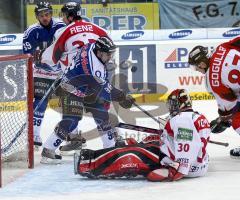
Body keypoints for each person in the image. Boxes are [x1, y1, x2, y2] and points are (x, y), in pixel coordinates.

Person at [40, 2, 118, 164]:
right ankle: (112, 144)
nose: (62, 19)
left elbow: (51, 58)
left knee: (72, 118)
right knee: (101, 113)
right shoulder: (97, 29)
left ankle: (49, 150)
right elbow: (109, 52)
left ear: (69, 16)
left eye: (63, 16)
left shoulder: (63, 31)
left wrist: (53, 64)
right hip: (91, 77)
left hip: (73, 79)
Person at [75, 89, 210, 181]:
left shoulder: (182, 119)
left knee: (133, 153)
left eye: (173, 104)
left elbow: (184, 145)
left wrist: (174, 171)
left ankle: (88, 163)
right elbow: (192, 143)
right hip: (199, 164)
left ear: (179, 104)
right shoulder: (196, 117)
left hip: (181, 166)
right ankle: (143, 146)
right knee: (150, 140)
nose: (171, 107)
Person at [22, 1, 65, 147]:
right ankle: (34, 135)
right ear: (37, 16)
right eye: (41, 15)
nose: (44, 17)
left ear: (51, 14)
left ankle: (72, 133)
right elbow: (28, 57)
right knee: (40, 102)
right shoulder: (31, 31)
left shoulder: (61, 27)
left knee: (68, 101)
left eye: (47, 14)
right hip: (42, 73)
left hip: (61, 71)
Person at [188, 39, 240, 159]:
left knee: (236, 119)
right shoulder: (222, 47)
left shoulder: (211, 80)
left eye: (196, 67)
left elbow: (229, 107)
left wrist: (223, 120)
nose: (197, 70)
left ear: (201, 64)